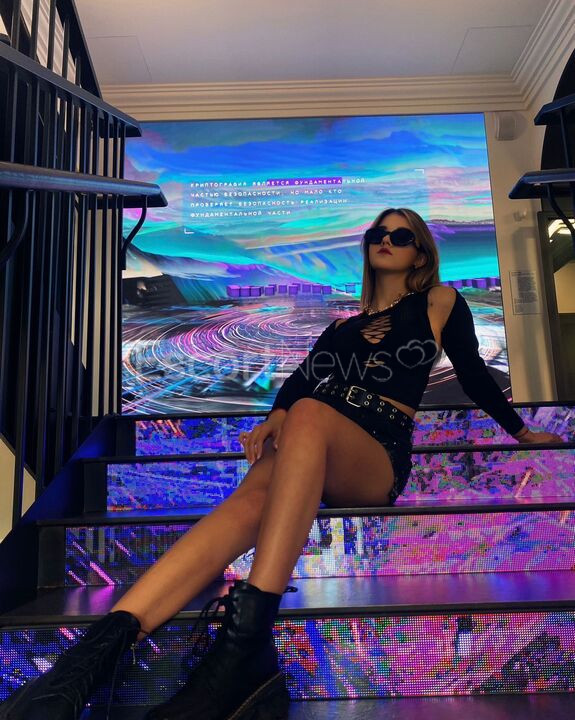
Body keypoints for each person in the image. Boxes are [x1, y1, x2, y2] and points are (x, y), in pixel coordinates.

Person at [0, 208, 564, 720]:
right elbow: (299, 382)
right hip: (313, 441)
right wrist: (275, 417)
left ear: (420, 253)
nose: (386, 241)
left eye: (401, 236)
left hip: (376, 452)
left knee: (308, 414)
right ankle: (82, 668)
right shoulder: (340, 328)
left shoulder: (439, 301)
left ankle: (246, 645)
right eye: (378, 233)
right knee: (251, 496)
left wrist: (520, 431)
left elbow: (473, 373)